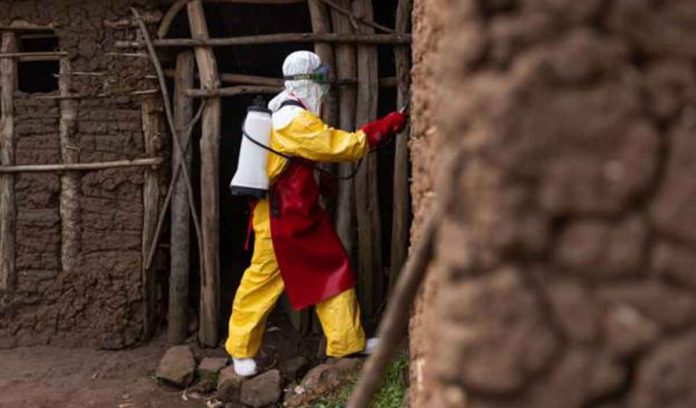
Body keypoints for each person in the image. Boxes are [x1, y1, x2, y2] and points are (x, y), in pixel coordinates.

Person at [225, 50, 407, 377]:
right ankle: (240, 350)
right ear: (309, 81)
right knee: (261, 284)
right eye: (320, 79)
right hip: (281, 221)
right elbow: (343, 146)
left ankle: (346, 342)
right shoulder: (296, 120)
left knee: (332, 270)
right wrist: (386, 126)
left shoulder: (282, 107)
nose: (325, 87)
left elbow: (292, 161)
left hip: (300, 215)